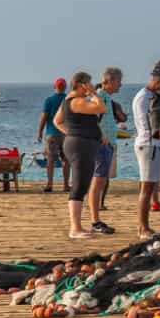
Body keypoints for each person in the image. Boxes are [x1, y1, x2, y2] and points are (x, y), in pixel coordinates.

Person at [51, 72, 105, 239]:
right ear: (83, 85)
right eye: (89, 83)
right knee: (80, 185)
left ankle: (77, 227)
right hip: (81, 145)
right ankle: (75, 228)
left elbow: (57, 121)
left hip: (79, 143)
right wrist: (94, 94)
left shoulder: (67, 100)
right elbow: (101, 108)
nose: (92, 85)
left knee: (82, 183)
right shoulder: (77, 101)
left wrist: (72, 133)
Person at [130, 59, 160, 237]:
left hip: (152, 145)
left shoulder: (155, 95)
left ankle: (145, 226)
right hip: (149, 145)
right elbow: (150, 126)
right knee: (146, 188)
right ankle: (143, 227)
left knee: (149, 187)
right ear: (157, 80)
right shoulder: (145, 97)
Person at [86, 66, 128, 235]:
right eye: (119, 81)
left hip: (107, 144)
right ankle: (95, 220)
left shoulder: (106, 98)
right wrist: (101, 136)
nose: (121, 85)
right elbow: (91, 120)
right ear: (109, 81)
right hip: (101, 145)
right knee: (97, 182)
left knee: (100, 181)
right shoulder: (100, 97)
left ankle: (96, 219)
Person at [37, 77, 70, 193]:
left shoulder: (49, 100)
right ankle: (66, 185)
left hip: (51, 133)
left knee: (50, 160)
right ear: (65, 87)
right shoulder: (69, 99)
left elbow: (44, 117)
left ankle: (49, 184)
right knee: (66, 160)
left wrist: (39, 132)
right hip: (66, 133)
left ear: (55, 87)